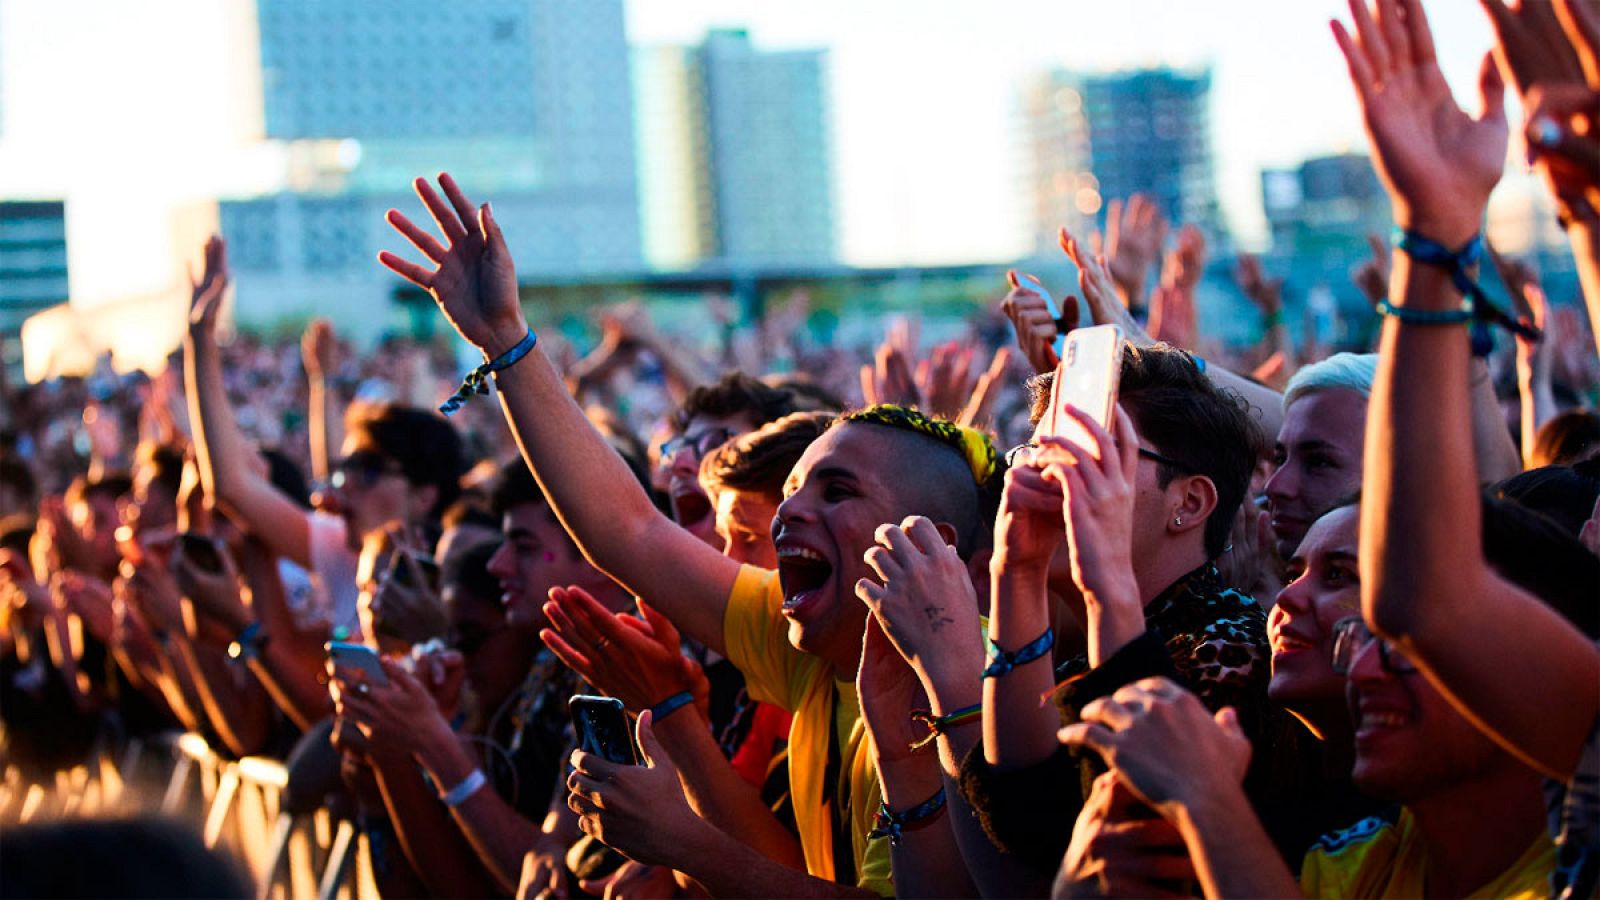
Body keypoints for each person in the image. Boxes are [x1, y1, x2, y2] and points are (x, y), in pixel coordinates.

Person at [378, 170, 997, 898]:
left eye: (838, 491)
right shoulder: (820, 647)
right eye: (793, 490)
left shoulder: (976, 694)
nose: (791, 514)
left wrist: (688, 846)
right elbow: (630, 531)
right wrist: (505, 341)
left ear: (935, 544)